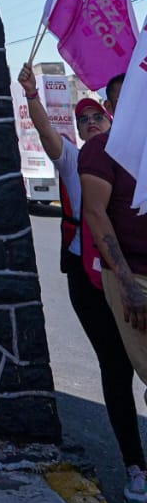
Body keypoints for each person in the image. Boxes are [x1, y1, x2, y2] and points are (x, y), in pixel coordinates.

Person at [18, 65, 146, 503]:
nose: (91, 124)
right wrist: (33, 97)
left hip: (130, 273)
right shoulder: (75, 158)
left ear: (114, 119)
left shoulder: (134, 159)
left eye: (99, 119)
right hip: (88, 279)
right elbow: (49, 137)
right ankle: (135, 467)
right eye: (84, 120)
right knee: (115, 367)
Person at [80, 73, 147, 392]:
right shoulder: (101, 150)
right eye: (128, 98)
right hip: (135, 276)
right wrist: (126, 283)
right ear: (111, 107)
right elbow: (95, 212)